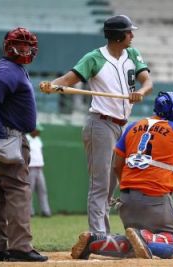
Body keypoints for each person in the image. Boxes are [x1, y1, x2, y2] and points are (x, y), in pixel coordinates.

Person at [70, 79, 173, 260]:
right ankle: (146, 237)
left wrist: (128, 187)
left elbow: (117, 165)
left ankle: (94, 241)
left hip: (126, 201)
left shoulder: (132, 126)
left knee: (133, 247)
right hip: (155, 199)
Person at [40, 15, 153, 235]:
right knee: (100, 184)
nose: (132, 35)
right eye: (129, 32)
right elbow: (68, 81)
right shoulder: (94, 58)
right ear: (119, 36)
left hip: (123, 127)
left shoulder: (132, 53)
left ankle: (109, 233)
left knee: (113, 185)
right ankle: (99, 236)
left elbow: (148, 81)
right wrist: (50, 86)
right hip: (101, 124)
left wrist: (140, 92)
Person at [0, 27, 47, 262]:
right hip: (8, 135)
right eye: (21, 44)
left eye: (29, 45)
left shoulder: (12, 68)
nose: (26, 49)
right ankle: (20, 247)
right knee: (19, 190)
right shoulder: (8, 70)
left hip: (5, 134)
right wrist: (2, 134)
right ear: (9, 46)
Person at [27, 123, 52, 217]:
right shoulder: (26, 139)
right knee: (29, 191)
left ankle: (45, 211)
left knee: (43, 190)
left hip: (39, 168)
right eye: (37, 130)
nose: (39, 132)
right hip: (30, 168)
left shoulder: (38, 140)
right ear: (32, 130)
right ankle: (29, 212)